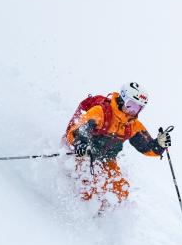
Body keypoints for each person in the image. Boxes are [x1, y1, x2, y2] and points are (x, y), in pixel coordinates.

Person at [64, 82, 170, 210]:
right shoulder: (101, 112)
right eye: (131, 105)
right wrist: (81, 143)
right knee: (90, 186)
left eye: (138, 108)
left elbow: (147, 147)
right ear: (123, 99)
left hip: (106, 158)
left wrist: (159, 145)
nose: (133, 111)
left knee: (120, 189)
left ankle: (104, 215)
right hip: (84, 153)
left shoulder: (132, 125)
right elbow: (79, 129)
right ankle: (78, 210)